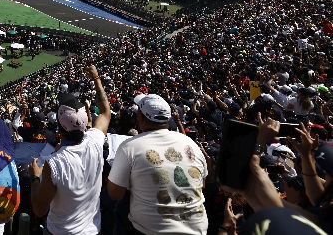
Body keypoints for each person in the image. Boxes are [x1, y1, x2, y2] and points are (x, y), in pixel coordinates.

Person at [107, 93, 208, 235]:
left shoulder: (129, 146)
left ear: (140, 118)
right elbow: (202, 183)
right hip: (198, 229)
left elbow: (115, 194)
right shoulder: (190, 143)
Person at [30, 64, 111, 235]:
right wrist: (96, 79)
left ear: (59, 127)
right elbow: (105, 112)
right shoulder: (95, 140)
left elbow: (39, 209)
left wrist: (35, 177)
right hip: (92, 230)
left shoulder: (54, 163)